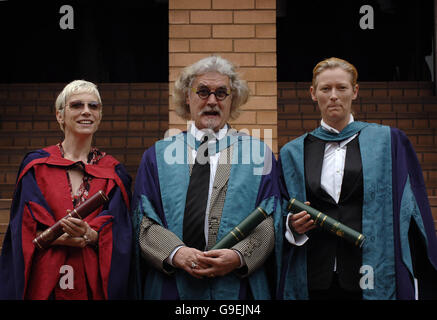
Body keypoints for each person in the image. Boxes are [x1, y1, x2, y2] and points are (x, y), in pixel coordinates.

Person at [277, 57, 437, 300]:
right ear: (313, 93)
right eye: (325, 88)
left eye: (341, 87)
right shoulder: (293, 152)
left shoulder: (389, 142)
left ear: (355, 91)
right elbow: (278, 208)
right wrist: (291, 225)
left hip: (371, 270)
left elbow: (412, 207)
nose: (333, 95)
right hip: (315, 274)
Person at [131, 56, 281, 300]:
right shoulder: (157, 156)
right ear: (187, 97)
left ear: (233, 100)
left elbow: (271, 216)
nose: (212, 100)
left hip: (237, 288)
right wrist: (176, 252)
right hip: (173, 286)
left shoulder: (258, 154)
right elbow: (144, 218)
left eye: (222, 93)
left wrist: (239, 256)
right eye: (202, 91)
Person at [0, 80, 132, 299]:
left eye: (93, 106)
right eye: (77, 105)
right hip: (44, 282)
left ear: (99, 117)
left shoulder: (114, 172)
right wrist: (61, 237)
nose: (86, 112)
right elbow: (23, 226)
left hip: (92, 285)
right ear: (60, 116)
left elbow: (121, 231)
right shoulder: (36, 166)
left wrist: (90, 235)